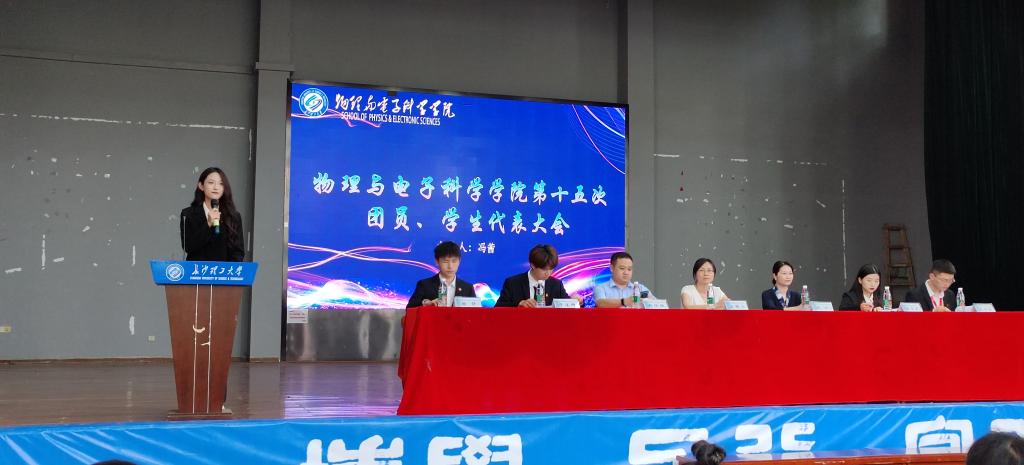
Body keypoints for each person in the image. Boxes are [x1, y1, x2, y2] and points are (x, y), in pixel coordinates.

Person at [180, 167, 244, 262]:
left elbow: (238, 252)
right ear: (201, 186)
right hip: (197, 270)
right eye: (211, 182)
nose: (216, 187)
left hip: (223, 270)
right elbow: (188, 247)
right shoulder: (188, 214)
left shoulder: (233, 216)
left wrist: (229, 270)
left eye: (221, 184)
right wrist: (208, 224)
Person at [495, 244, 583, 307]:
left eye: (551, 269)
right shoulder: (513, 283)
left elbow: (569, 306)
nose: (548, 273)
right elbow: (498, 308)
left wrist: (578, 301)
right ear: (533, 265)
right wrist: (518, 304)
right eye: (544, 270)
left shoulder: (556, 285)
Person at [406, 241, 476, 308]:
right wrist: (426, 305)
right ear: (437, 261)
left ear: (459, 261)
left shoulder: (468, 288)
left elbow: (475, 313)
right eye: (445, 261)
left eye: (454, 261)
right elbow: (410, 309)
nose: (450, 266)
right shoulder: (425, 285)